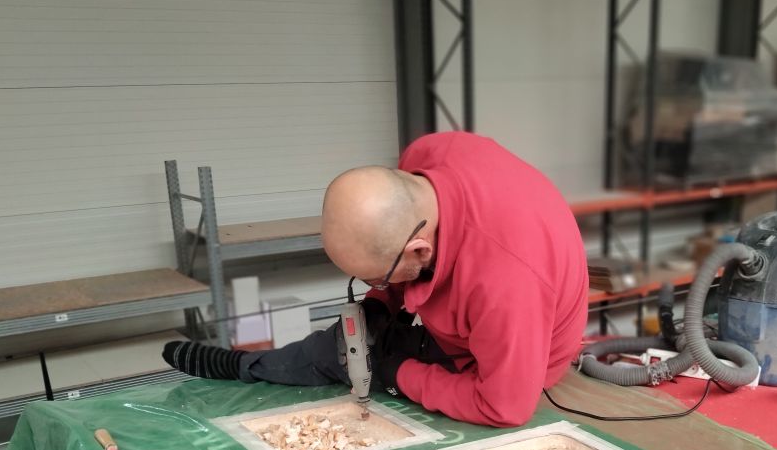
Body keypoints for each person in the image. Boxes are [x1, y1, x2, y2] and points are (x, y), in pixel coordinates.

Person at [162, 132, 588, 427]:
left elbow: (505, 408)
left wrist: (395, 373)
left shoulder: (505, 286)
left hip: (506, 360)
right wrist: (378, 304)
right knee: (358, 334)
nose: (377, 285)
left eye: (377, 278)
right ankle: (255, 363)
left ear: (419, 250)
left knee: (341, 355)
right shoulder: (433, 154)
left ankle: (246, 367)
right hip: (483, 290)